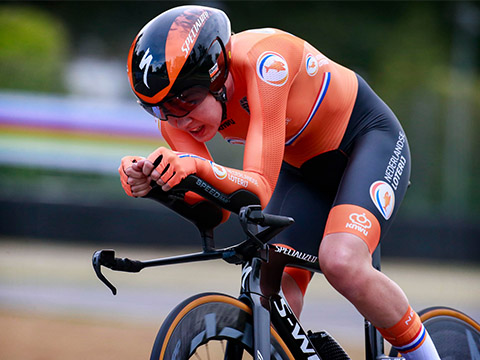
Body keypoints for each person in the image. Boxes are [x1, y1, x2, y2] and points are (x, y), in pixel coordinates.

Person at [119, 5, 440, 360]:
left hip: (367, 143)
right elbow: (216, 212)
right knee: (269, 275)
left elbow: (257, 188)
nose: (178, 121)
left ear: (217, 75)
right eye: (161, 110)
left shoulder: (265, 63)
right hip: (300, 169)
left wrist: (194, 166)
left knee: (342, 261)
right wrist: (162, 187)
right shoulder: (177, 120)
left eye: (187, 102)